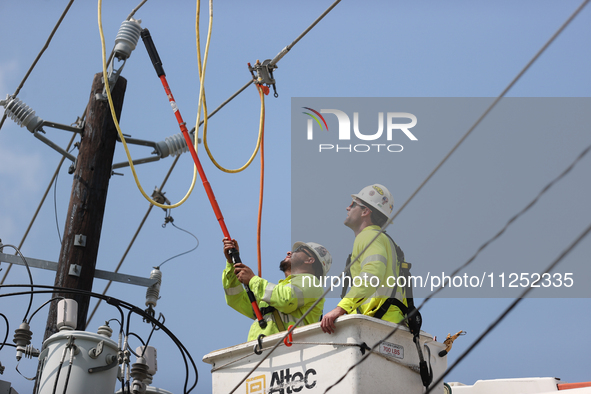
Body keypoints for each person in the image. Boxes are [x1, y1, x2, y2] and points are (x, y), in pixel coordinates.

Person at [321, 184, 407, 334]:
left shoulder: (368, 236)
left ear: (366, 211)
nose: (348, 208)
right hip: (390, 321)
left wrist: (341, 308)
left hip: (378, 322)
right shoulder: (385, 241)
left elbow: (372, 274)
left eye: (353, 204)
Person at [223, 238, 332, 341]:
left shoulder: (312, 283)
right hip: (260, 352)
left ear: (310, 260)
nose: (289, 252)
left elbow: (286, 299)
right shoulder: (270, 293)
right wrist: (231, 263)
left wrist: (252, 279)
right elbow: (236, 299)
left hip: (287, 352)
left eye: (298, 250)